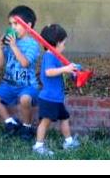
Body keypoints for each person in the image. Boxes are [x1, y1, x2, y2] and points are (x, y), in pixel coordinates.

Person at [0, 5, 40, 141]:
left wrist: (14, 46)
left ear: (28, 26)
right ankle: (10, 122)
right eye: (11, 24)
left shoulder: (32, 44)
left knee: (25, 99)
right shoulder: (11, 43)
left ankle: (27, 127)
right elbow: (0, 65)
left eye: (16, 24)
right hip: (9, 84)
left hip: (28, 85)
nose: (13, 27)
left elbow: (24, 63)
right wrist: (0, 47)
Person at [32, 24, 80, 156]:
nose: (65, 45)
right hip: (49, 98)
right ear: (57, 43)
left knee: (64, 118)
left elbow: (59, 72)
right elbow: (49, 72)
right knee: (45, 122)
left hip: (57, 98)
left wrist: (72, 70)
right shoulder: (49, 56)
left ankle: (68, 142)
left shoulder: (55, 56)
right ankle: (38, 146)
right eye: (64, 43)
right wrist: (65, 69)